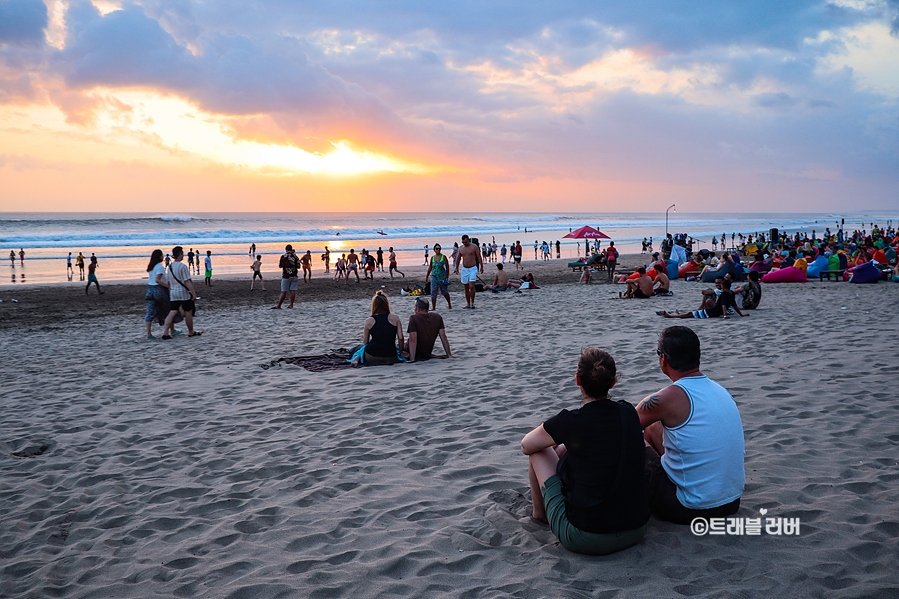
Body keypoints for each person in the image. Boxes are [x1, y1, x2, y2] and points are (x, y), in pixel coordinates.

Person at [521, 348, 649, 555]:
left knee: (538, 451)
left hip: (586, 537)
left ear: (578, 380)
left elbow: (527, 444)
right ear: (613, 382)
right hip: (635, 529)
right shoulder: (629, 413)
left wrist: (557, 443)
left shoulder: (570, 421)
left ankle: (540, 514)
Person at [636, 327, 745, 524]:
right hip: (731, 502)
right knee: (653, 428)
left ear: (664, 359)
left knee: (635, 438)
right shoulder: (720, 390)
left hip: (690, 509)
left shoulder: (666, 397)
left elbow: (620, 425)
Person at [352, 290, 405, 365]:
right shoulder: (395, 318)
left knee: (360, 348)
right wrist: (401, 351)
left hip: (372, 356)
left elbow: (365, 342)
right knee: (395, 347)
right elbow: (401, 338)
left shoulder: (369, 320)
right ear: (386, 304)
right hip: (391, 355)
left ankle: (356, 358)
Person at [659, 278, 746, 319]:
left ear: (722, 286)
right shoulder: (731, 294)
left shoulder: (724, 294)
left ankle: (672, 316)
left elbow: (723, 306)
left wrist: (725, 315)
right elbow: (735, 306)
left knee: (690, 314)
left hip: (711, 312)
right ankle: (677, 315)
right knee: (691, 314)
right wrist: (741, 315)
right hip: (714, 312)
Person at [163, 246, 201, 337]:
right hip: (183, 293)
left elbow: (168, 282)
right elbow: (187, 281)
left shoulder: (170, 267)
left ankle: (165, 332)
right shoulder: (183, 267)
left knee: (172, 312)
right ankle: (191, 332)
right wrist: (194, 294)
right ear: (180, 255)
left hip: (173, 292)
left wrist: (170, 290)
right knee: (188, 312)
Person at [145, 249, 173, 339]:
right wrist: (168, 286)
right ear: (159, 257)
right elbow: (158, 280)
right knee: (167, 310)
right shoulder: (159, 267)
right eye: (162, 255)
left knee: (150, 312)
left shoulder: (151, 267)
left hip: (150, 289)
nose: (163, 257)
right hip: (159, 290)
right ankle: (171, 330)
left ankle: (148, 334)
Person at [453, 234, 483, 309]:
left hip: (472, 268)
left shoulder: (474, 247)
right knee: (466, 287)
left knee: (471, 286)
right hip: (465, 269)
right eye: (463, 242)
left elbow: (479, 256)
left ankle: (472, 302)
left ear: (468, 240)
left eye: (465, 242)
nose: (464, 244)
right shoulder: (461, 248)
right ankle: (468, 304)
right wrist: (456, 268)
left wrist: (481, 266)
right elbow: (458, 258)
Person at [273, 244, 300, 309]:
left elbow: (280, 266)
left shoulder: (283, 256)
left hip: (286, 275)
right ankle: (291, 305)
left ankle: (279, 305)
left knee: (284, 291)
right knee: (292, 290)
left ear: (286, 249)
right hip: (294, 275)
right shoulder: (295, 257)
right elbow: (298, 266)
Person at [426, 244, 452, 309]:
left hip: (442, 277)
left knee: (444, 291)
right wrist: (427, 276)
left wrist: (447, 277)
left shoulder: (444, 257)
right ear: (434, 250)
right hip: (434, 276)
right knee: (433, 291)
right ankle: (433, 307)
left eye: (439, 248)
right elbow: (430, 267)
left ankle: (449, 304)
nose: (438, 250)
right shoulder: (432, 258)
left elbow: (447, 268)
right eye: (437, 249)